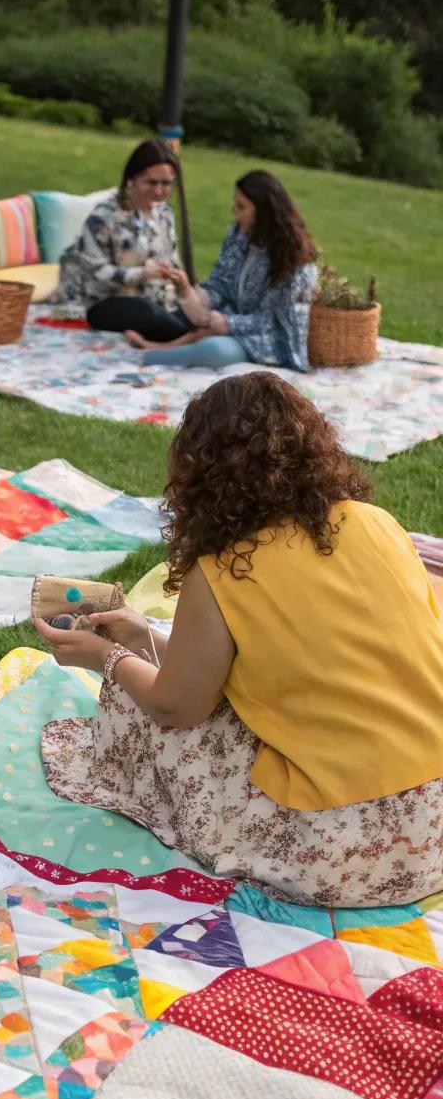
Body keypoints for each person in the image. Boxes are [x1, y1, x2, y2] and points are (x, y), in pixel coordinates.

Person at [32, 373, 443, 908]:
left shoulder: (224, 568)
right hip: (434, 828)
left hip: (341, 854)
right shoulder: (377, 524)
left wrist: (106, 657)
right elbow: (277, 660)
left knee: (144, 706)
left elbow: (179, 704)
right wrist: (141, 635)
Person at [127, 170, 318, 372]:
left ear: (264, 211)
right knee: (183, 320)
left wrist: (226, 323)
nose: (234, 211)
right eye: (235, 203)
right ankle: (158, 347)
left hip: (267, 342)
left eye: (241, 206)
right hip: (231, 321)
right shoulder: (239, 235)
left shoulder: (294, 261)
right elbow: (220, 282)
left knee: (215, 349)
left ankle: (151, 357)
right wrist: (190, 293)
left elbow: (268, 321)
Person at [55, 140, 192, 335]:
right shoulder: (104, 217)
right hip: (102, 302)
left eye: (166, 183)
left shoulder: (164, 213)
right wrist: (140, 273)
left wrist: (179, 280)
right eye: (152, 182)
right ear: (132, 179)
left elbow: (172, 259)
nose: (160, 191)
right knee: (145, 313)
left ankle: (182, 334)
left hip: (152, 298)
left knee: (202, 305)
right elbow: (95, 272)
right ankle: (182, 336)